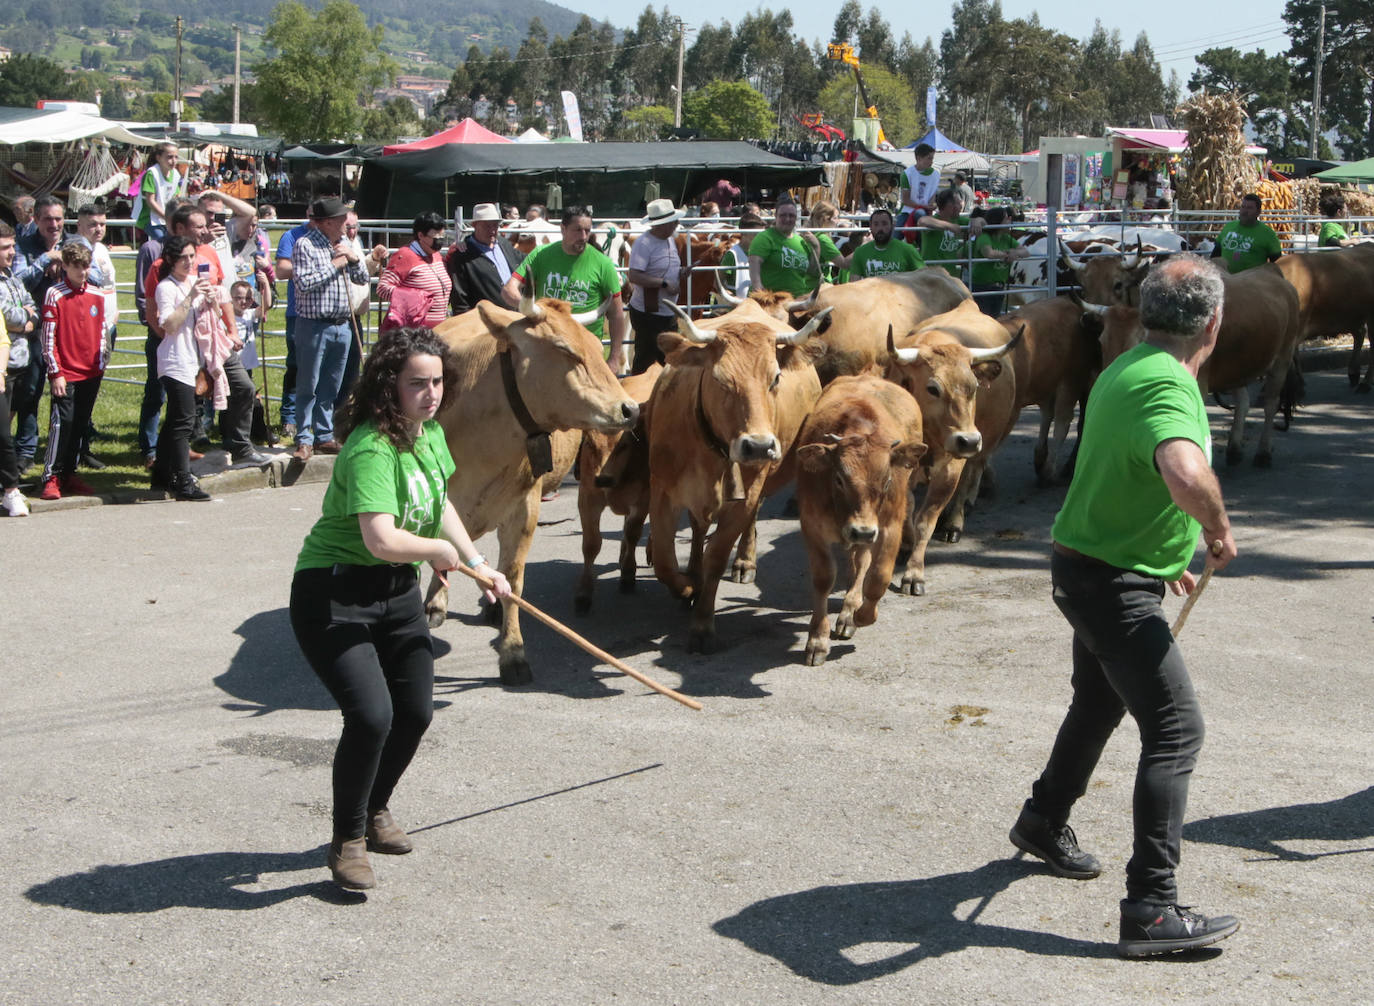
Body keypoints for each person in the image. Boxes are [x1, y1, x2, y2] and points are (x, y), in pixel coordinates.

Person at [1010, 254, 1241, 959]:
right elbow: (1179, 467)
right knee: (1175, 731)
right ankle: (1151, 907)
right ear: (1214, 322)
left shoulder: (1128, 364)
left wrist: (1162, 546)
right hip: (1108, 585)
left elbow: (1124, 468)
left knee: (1099, 703)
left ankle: (1044, 819)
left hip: (1089, 566)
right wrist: (1215, 527)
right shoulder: (1169, 387)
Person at [289, 326, 512, 890]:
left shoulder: (429, 435)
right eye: (418, 384)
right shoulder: (371, 447)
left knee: (414, 711)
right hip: (334, 594)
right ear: (389, 386)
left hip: (395, 594)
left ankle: (376, 807)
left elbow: (436, 506)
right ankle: (347, 839)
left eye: (438, 382)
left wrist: (476, 562)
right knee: (371, 716)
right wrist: (437, 553)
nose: (431, 394)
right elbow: (381, 539)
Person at [151, 235, 229, 502]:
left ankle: (161, 473)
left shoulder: (194, 283)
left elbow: (214, 319)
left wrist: (212, 301)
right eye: (183, 257)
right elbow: (168, 325)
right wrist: (190, 297)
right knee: (184, 421)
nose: (189, 262)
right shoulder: (167, 288)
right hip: (175, 361)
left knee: (175, 420)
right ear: (171, 260)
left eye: (192, 256)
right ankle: (183, 480)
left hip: (193, 360)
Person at [503, 205, 628, 373]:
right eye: (577, 230)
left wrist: (613, 358)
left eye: (587, 230)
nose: (583, 236)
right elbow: (509, 290)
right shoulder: (541, 255)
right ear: (563, 229)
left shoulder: (603, 264)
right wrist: (532, 309)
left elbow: (616, 314)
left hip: (585, 351)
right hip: (545, 346)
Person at [291, 197, 369, 460]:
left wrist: (354, 259)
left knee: (331, 385)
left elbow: (362, 278)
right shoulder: (306, 245)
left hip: (342, 324)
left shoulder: (344, 244)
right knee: (308, 383)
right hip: (314, 325)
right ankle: (303, 437)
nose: (344, 223)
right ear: (325, 223)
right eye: (339, 220)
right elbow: (304, 282)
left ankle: (324, 434)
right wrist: (335, 265)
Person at [37, 244, 107, 500]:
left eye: (86, 266)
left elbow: (101, 331)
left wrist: (101, 362)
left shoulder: (96, 295)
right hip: (66, 372)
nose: (82, 272)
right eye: (77, 266)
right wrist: (55, 373)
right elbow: (48, 337)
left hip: (91, 371)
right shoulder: (54, 294)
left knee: (80, 423)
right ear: (65, 266)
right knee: (62, 423)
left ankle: (69, 472)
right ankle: (51, 475)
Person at [12, 195, 67, 470]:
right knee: (29, 390)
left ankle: (67, 449)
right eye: (47, 219)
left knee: (66, 393)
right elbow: (18, 281)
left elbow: (92, 276)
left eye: (58, 218)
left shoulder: (73, 244)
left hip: (66, 331)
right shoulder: (23, 246)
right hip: (36, 330)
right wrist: (46, 259)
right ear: (36, 220)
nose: (54, 224)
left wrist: (64, 263)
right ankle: (26, 449)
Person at [625, 197, 684, 375]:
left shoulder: (669, 240)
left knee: (667, 356)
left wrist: (680, 273)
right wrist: (664, 283)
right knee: (647, 359)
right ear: (661, 224)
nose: (676, 224)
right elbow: (634, 275)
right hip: (648, 312)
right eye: (673, 221)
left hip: (664, 311)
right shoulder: (644, 243)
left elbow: (665, 266)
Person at [0, 222, 34, 515]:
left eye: (12, 246)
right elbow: (10, 317)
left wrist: (25, 317)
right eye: (4, 248)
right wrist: (25, 318)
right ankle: (10, 489)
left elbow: (28, 305)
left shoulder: (11, 276)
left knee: (6, 426)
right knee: (2, 432)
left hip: (18, 361)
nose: (11, 253)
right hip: (4, 364)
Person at [378, 211, 452, 329]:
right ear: (421, 235)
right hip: (414, 331)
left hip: (439, 329)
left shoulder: (437, 256)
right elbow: (383, 288)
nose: (440, 241)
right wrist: (414, 299)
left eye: (442, 237)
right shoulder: (404, 256)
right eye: (436, 237)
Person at [446, 202, 523, 314]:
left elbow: (524, 263)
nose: (492, 230)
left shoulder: (504, 244)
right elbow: (460, 298)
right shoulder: (463, 255)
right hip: (485, 322)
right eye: (487, 226)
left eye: (495, 225)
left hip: (515, 317)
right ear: (475, 225)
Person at [746, 198, 821, 298]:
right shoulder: (765, 238)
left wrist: (816, 247)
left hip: (798, 301)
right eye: (783, 215)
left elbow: (812, 271)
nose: (787, 219)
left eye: (791, 216)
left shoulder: (802, 241)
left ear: (796, 218)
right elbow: (754, 263)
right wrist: (759, 291)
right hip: (772, 301)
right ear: (775, 216)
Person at [969, 207, 1029, 315]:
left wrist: (1015, 253)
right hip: (981, 287)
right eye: (1006, 218)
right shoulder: (984, 236)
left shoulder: (1006, 238)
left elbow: (1026, 252)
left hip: (999, 286)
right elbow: (989, 253)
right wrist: (1007, 254)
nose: (1010, 220)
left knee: (995, 317)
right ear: (997, 221)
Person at [1210, 193, 1282, 274]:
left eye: (1249, 208)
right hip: (1226, 280)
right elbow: (1215, 255)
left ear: (1258, 212)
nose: (1244, 211)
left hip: (1251, 283)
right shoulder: (1228, 227)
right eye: (1243, 207)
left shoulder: (1268, 234)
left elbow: (1277, 263)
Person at [916, 189, 979, 280]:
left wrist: (977, 221)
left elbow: (982, 220)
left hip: (950, 276)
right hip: (931, 276)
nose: (961, 206)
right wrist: (949, 226)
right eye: (958, 203)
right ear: (950, 206)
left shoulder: (959, 220)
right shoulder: (933, 221)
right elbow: (922, 221)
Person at [847, 208, 923, 279]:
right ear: (870, 227)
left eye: (884, 224)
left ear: (892, 226)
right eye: (876, 224)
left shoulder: (908, 250)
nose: (880, 228)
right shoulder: (860, 252)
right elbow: (854, 283)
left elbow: (924, 277)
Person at [132, 142, 186, 241]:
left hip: (166, 218)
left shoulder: (175, 174)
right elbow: (150, 201)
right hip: (148, 217)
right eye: (169, 157)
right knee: (163, 241)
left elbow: (175, 198)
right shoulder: (152, 173)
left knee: (177, 241)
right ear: (158, 158)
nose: (173, 161)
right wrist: (167, 217)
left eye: (176, 157)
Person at [898, 143, 940, 230]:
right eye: (929, 158)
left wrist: (931, 207)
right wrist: (924, 207)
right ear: (919, 158)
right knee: (895, 235)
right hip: (907, 211)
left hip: (925, 212)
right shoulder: (907, 174)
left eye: (932, 158)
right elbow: (906, 200)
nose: (931, 161)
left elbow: (932, 197)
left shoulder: (936, 174)